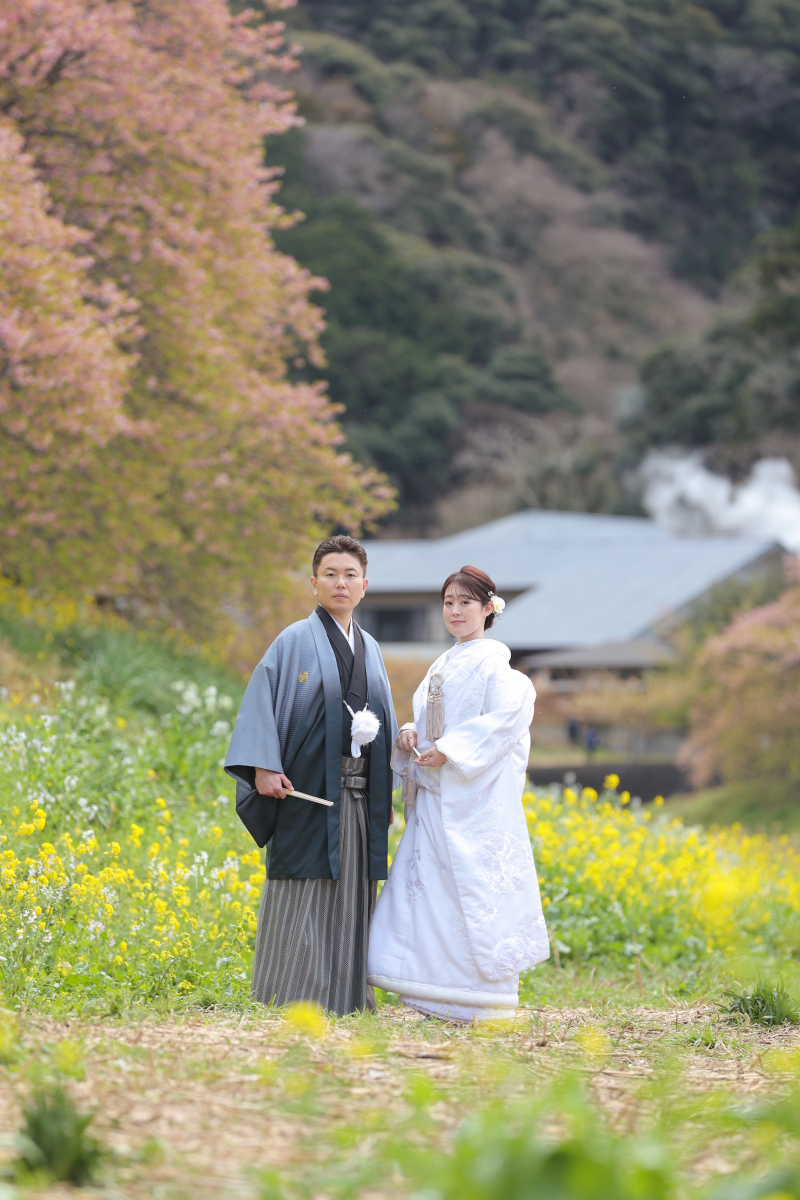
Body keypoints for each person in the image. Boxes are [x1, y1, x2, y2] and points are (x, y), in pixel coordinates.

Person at [367, 565, 549, 1022]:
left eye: (466, 603)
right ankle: (433, 992)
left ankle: (479, 1002)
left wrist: (449, 751)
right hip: (437, 797)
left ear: (488, 609)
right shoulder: (444, 662)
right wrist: (411, 734)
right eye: (448, 602)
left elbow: (509, 717)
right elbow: (433, 720)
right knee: (429, 893)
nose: (455, 611)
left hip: (472, 803)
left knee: (470, 893)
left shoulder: (497, 666)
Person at [225, 535, 397, 1016]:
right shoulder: (293, 641)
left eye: (350, 575)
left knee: (352, 891)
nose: (340, 583)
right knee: (303, 885)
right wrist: (263, 764)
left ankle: (345, 1000)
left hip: (361, 794)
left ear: (365, 585)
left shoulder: (372, 648)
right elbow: (262, 701)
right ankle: (288, 996)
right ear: (314, 583)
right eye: (330, 574)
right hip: (304, 791)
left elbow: (386, 719)